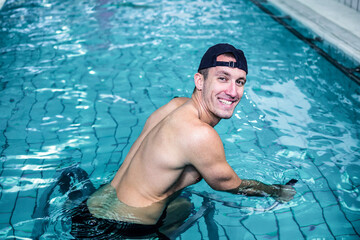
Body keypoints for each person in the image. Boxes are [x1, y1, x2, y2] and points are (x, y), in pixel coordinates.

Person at [70, 43, 297, 239]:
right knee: (187, 207)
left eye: (240, 82)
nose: (232, 91)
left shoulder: (176, 105)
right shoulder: (200, 135)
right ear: (199, 81)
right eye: (222, 78)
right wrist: (277, 191)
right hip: (124, 231)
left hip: (89, 209)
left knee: (184, 204)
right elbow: (233, 185)